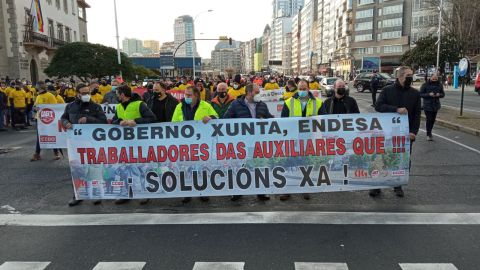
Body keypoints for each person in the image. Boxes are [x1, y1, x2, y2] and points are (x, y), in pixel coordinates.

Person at [371, 66, 421, 198]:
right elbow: (378, 106)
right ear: (400, 76)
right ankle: (377, 186)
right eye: (408, 75)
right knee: (382, 158)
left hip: (405, 134)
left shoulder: (415, 94)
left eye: (411, 75)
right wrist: (395, 109)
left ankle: (398, 185)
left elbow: (417, 115)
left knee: (403, 160)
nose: (411, 77)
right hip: (386, 133)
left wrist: (414, 133)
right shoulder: (387, 90)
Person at [223, 83, 273, 201]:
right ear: (249, 93)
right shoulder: (235, 104)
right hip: (241, 144)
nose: (258, 94)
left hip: (257, 143)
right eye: (256, 92)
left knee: (259, 166)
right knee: (241, 167)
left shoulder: (262, 105)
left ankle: (261, 192)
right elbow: (225, 119)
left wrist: (266, 120)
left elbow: (270, 119)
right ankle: (238, 191)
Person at [61, 83, 108, 206]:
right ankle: (78, 195)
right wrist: (66, 123)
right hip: (75, 144)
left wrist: (89, 119)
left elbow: (103, 122)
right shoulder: (70, 106)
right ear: (77, 94)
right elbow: (63, 118)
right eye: (83, 93)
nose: (86, 95)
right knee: (77, 170)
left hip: (92, 144)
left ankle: (96, 195)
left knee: (94, 170)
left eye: (88, 92)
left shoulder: (95, 107)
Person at [280, 79, 326, 201]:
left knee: (306, 164)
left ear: (308, 88)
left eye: (304, 89)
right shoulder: (289, 102)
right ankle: (287, 190)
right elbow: (283, 121)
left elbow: (324, 120)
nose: (301, 91)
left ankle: (305, 188)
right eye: (299, 89)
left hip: (309, 139)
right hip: (293, 139)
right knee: (289, 165)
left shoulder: (318, 103)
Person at [172, 86, 218, 203]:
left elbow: (217, 117)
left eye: (189, 95)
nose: (186, 97)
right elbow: (173, 124)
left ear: (196, 96)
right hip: (185, 143)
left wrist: (211, 117)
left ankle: (202, 191)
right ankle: (187, 193)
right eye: (185, 94)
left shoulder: (206, 106)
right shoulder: (179, 106)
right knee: (186, 169)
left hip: (201, 143)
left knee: (201, 169)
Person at [112, 84, 156, 204]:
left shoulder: (139, 104)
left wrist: (136, 121)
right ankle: (126, 193)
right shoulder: (119, 107)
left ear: (122, 94)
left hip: (140, 143)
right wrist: (119, 121)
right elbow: (114, 120)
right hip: (125, 144)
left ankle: (145, 192)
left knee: (142, 168)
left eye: (117, 94)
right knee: (126, 169)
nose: (116, 96)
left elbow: (152, 118)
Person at [31, 81, 61, 161]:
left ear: (39, 86)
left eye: (38, 86)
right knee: (40, 136)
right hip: (39, 119)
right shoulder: (38, 96)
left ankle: (56, 153)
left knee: (52, 135)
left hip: (49, 120)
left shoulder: (50, 96)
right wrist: (35, 109)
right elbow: (35, 106)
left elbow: (54, 108)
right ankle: (37, 154)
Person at [420, 74, 445, 141]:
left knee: (433, 120)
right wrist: (428, 94)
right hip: (427, 105)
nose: (434, 80)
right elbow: (421, 94)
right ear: (430, 78)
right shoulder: (425, 85)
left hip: (435, 105)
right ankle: (428, 134)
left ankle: (429, 131)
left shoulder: (439, 85)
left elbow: (443, 94)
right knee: (429, 119)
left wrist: (439, 95)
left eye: (436, 79)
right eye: (433, 79)